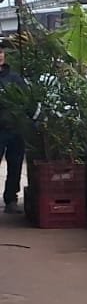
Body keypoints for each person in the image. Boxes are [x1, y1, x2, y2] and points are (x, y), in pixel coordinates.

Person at [0, 47, 23, 213]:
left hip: (15, 129)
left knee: (15, 165)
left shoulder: (14, 78)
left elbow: (26, 98)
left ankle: (11, 200)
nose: (0, 55)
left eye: (1, 52)